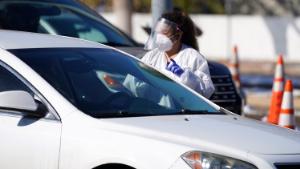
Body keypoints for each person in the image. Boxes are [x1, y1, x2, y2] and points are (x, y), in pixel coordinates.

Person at [142, 11, 215, 98]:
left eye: (164, 33)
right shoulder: (151, 57)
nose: (159, 36)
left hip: (183, 110)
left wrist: (187, 77)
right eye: (158, 32)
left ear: (178, 35)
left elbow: (206, 91)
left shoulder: (193, 58)